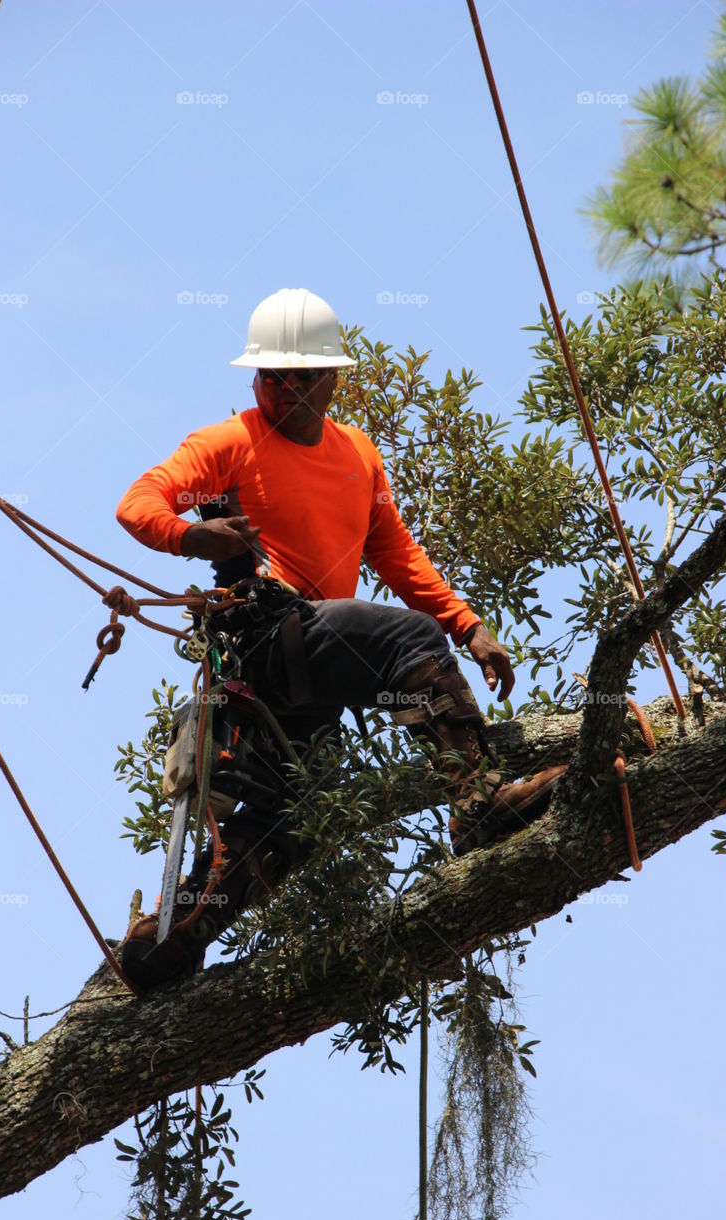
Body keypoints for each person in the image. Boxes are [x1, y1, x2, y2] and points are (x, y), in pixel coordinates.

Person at [116, 288, 564, 988]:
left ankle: (172, 940)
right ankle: (476, 806)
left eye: (301, 376)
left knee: (289, 819)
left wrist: (468, 625)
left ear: (333, 379)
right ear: (255, 380)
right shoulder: (228, 444)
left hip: (318, 667)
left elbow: (396, 554)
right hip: (271, 636)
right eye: (271, 377)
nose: (285, 389)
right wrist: (188, 533)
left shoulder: (357, 452)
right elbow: (139, 500)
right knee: (402, 639)